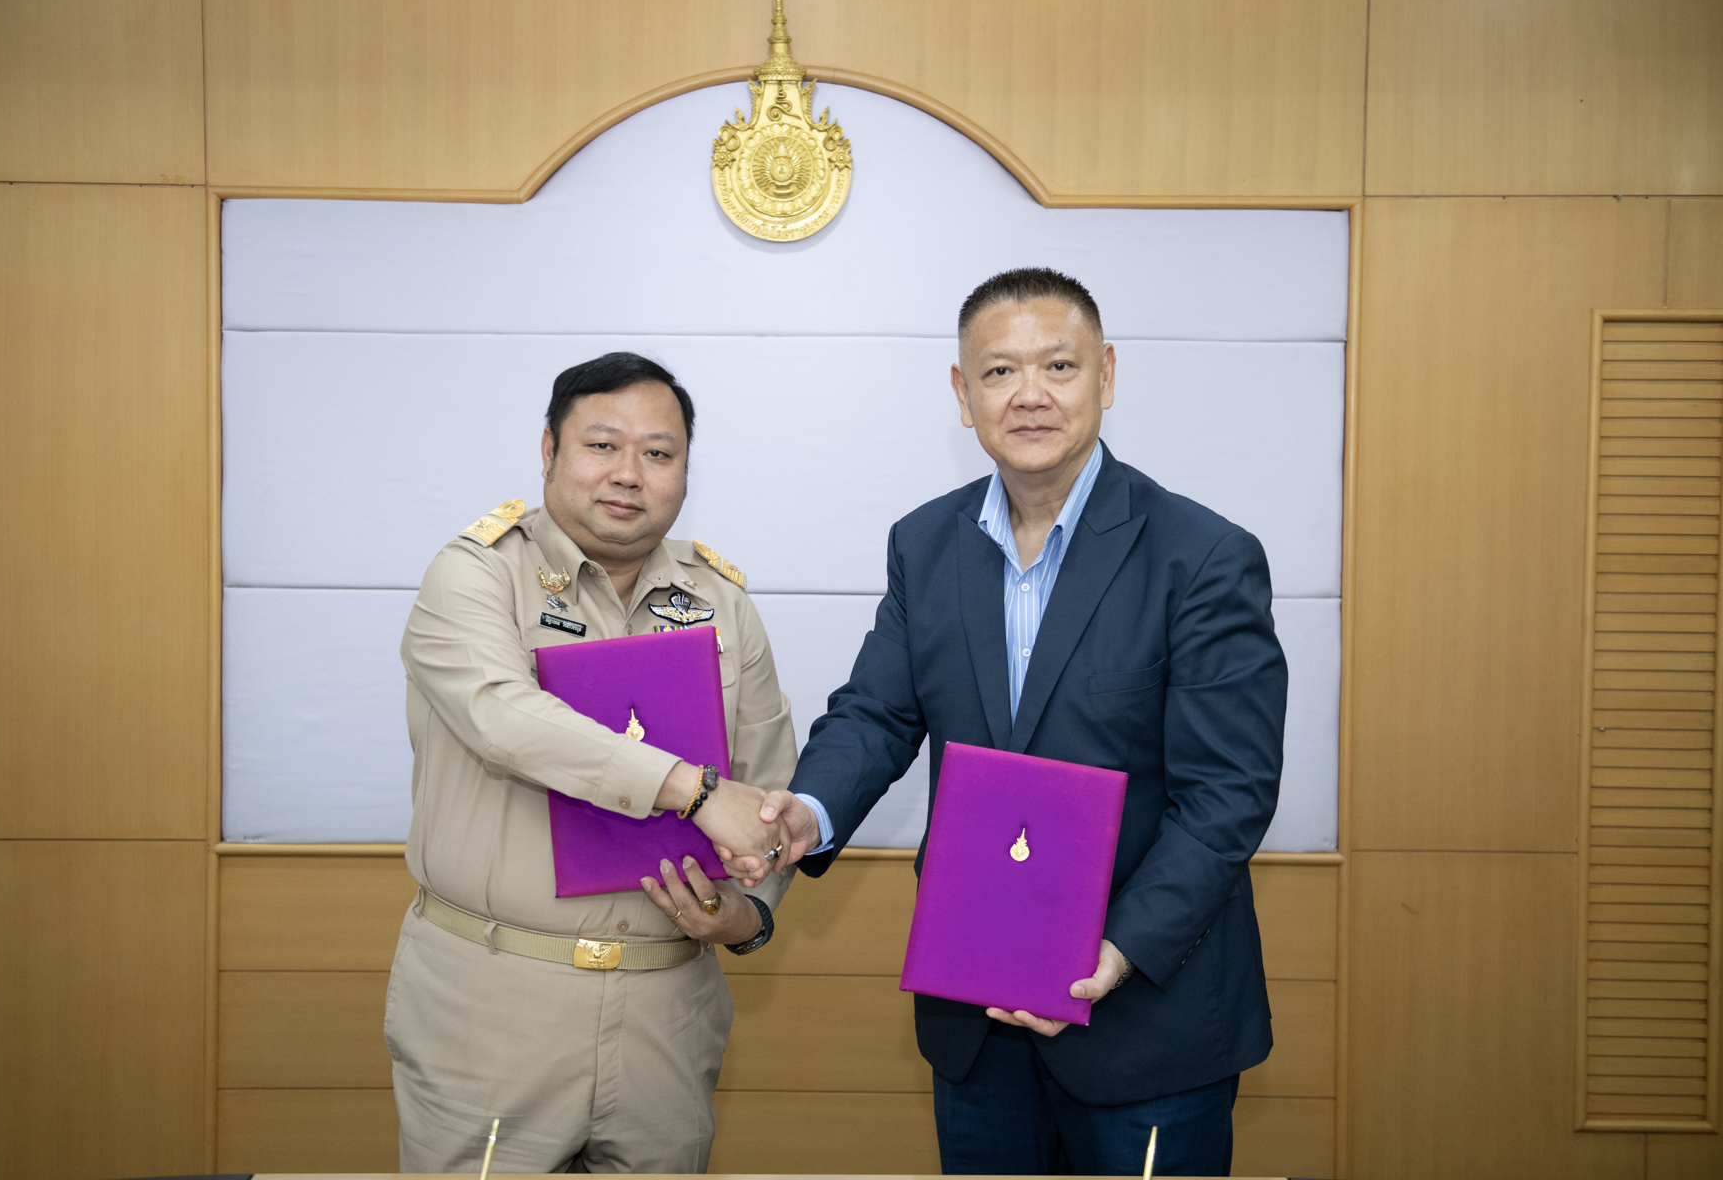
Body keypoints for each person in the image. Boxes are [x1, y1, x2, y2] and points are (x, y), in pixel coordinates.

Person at [747, 268, 1289, 1175]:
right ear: (963, 395)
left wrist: (1117, 953)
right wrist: (807, 812)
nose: (1029, 394)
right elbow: (878, 712)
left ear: (1105, 376)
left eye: (1058, 366)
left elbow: (1226, 796)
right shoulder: (926, 542)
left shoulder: (1202, 557)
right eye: (999, 371)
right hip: (976, 1011)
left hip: (1145, 1017)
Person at [388, 352, 796, 1174]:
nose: (629, 473)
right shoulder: (474, 573)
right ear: (549, 451)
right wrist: (690, 791)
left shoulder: (721, 603)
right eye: (602, 445)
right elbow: (504, 718)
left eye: (659, 453)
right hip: (495, 999)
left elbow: (767, 792)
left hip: (668, 1008)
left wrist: (747, 914)